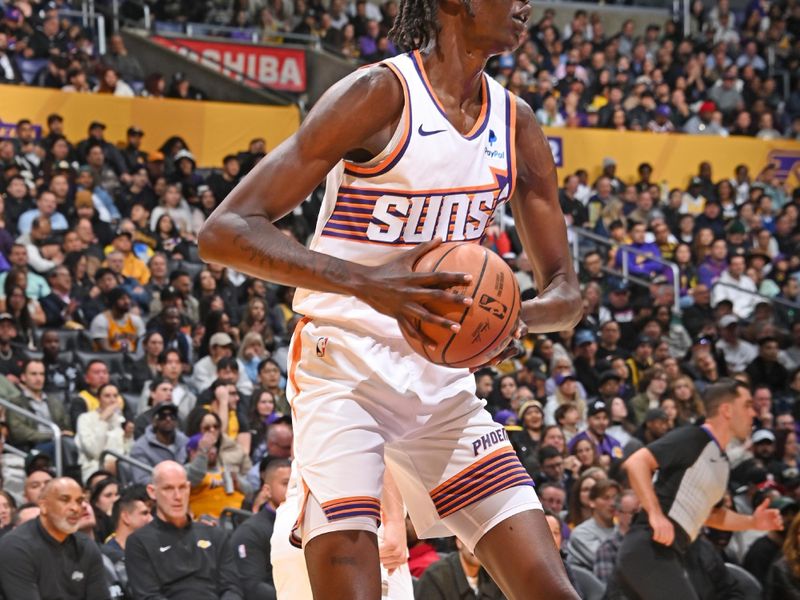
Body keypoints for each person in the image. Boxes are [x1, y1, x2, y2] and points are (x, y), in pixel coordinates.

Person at [199, 0, 582, 598]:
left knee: (551, 589)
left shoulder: (516, 123)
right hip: (344, 370)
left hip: (444, 384)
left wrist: (513, 320)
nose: (525, 3)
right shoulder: (380, 94)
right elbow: (225, 231)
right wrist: (368, 285)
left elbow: (566, 295)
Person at [614, 379, 783, 599]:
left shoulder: (721, 461)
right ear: (726, 410)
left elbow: (712, 515)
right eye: (747, 405)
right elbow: (637, 463)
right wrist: (655, 513)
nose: (754, 412)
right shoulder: (694, 437)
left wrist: (752, 522)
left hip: (664, 553)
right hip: (648, 547)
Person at [125, 461, 243, 599]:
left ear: (188, 488)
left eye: (182, 488)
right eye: (168, 488)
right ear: (152, 492)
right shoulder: (139, 542)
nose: (178, 496)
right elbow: (148, 596)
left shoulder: (214, 535)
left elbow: (232, 588)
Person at [0, 477, 108, 599]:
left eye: (79, 501)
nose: (75, 508)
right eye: (65, 500)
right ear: (44, 506)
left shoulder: (87, 546)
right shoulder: (16, 547)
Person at [231, 458, 291, 600]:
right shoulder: (250, 531)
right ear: (267, 490)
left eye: (297, 485)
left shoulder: (307, 527)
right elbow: (253, 587)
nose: (293, 491)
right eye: (286, 484)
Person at [102, 485, 153, 598]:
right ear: (126, 517)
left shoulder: (151, 549)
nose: (151, 519)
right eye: (144, 513)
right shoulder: (107, 557)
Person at [566, 479, 621, 570]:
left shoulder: (623, 529)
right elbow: (606, 560)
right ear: (592, 502)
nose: (612, 503)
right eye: (606, 498)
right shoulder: (581, 533)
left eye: (616, 498)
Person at [129, 403, 189, 484]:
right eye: (163, 416)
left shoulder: (185, 442)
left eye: (172, 415)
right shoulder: (140, 448)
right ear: (154, 421)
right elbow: (141, 480)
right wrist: (170, 481)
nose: (168, 419)